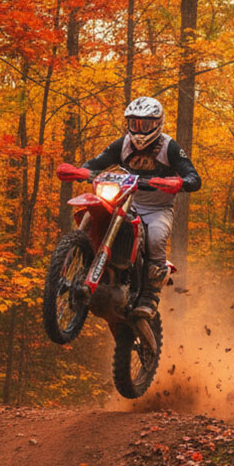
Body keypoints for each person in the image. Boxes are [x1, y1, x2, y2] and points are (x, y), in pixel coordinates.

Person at [81, 96, 201, 318]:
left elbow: (193, 176)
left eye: (145, 124)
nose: (140, 129)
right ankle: (79, 265)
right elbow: (98, 161)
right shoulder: (123, 143)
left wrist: (179, 182)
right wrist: (81, 170)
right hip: (127, 202)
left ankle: (150, 297)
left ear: (157, 123)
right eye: (135, 123)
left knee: (155, 238)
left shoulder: (169, 147)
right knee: (95, 213)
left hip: (158, 210)